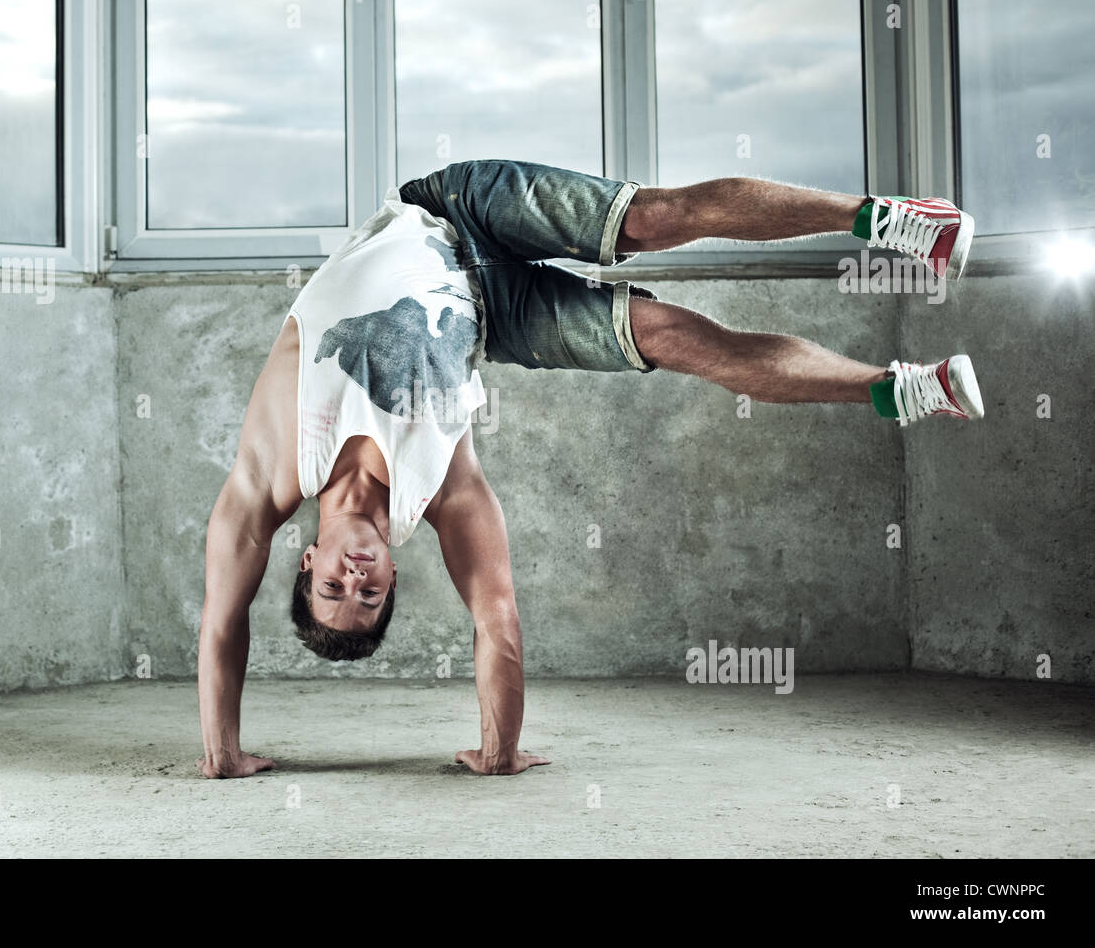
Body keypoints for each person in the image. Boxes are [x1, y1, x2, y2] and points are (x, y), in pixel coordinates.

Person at [196, 159, 981, 779]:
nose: (355, 577)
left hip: (456, 210)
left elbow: (223, 622)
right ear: (393, 579)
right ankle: (900, 386)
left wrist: (220, 750)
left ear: (307, 560)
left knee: (650, 220)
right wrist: (498, 750)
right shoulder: (441, 488)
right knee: (677, 338)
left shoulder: (270, 469)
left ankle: (885, 219)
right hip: (495, 315)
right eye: (368, 595)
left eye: (333, 585)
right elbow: (496, 620)